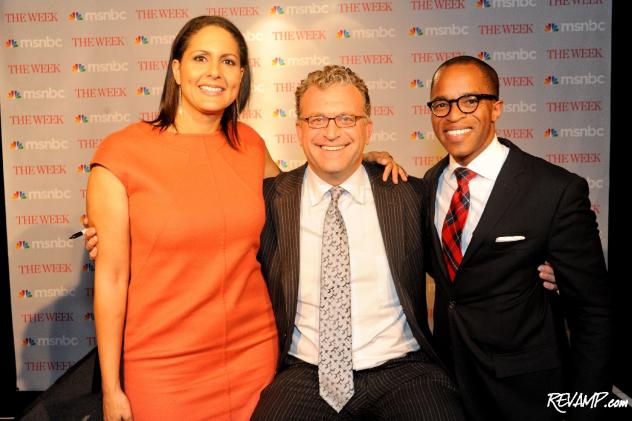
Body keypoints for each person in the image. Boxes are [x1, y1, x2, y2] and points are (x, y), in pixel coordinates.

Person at [86, 16, 403, 421]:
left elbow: (300, 192)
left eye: (229, 61)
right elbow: (111, 279)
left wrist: (359, 163)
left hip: (254, 354)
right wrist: (112, 388)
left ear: (242, 76)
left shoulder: (249, 146)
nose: (215, 72)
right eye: (201, 58)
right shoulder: (121, 154)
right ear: (177, 70)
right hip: (164, 363)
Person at [250, 65, 466, 420]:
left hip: (404, 369)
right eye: (317, 119)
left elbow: (465, 260)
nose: (331, 132)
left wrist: (534, 263)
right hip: (305, 372)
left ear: (367, 129)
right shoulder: (269, 201)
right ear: (299, 130)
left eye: (346, 119)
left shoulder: (409, 195)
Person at [423, 55, 613, 421]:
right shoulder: (429, 185)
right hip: (448, 389)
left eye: (469, 101)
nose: (453, 115)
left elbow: (593, 310)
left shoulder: (555, 190)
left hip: (527, 393)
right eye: (442, 104)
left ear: (496, 108)